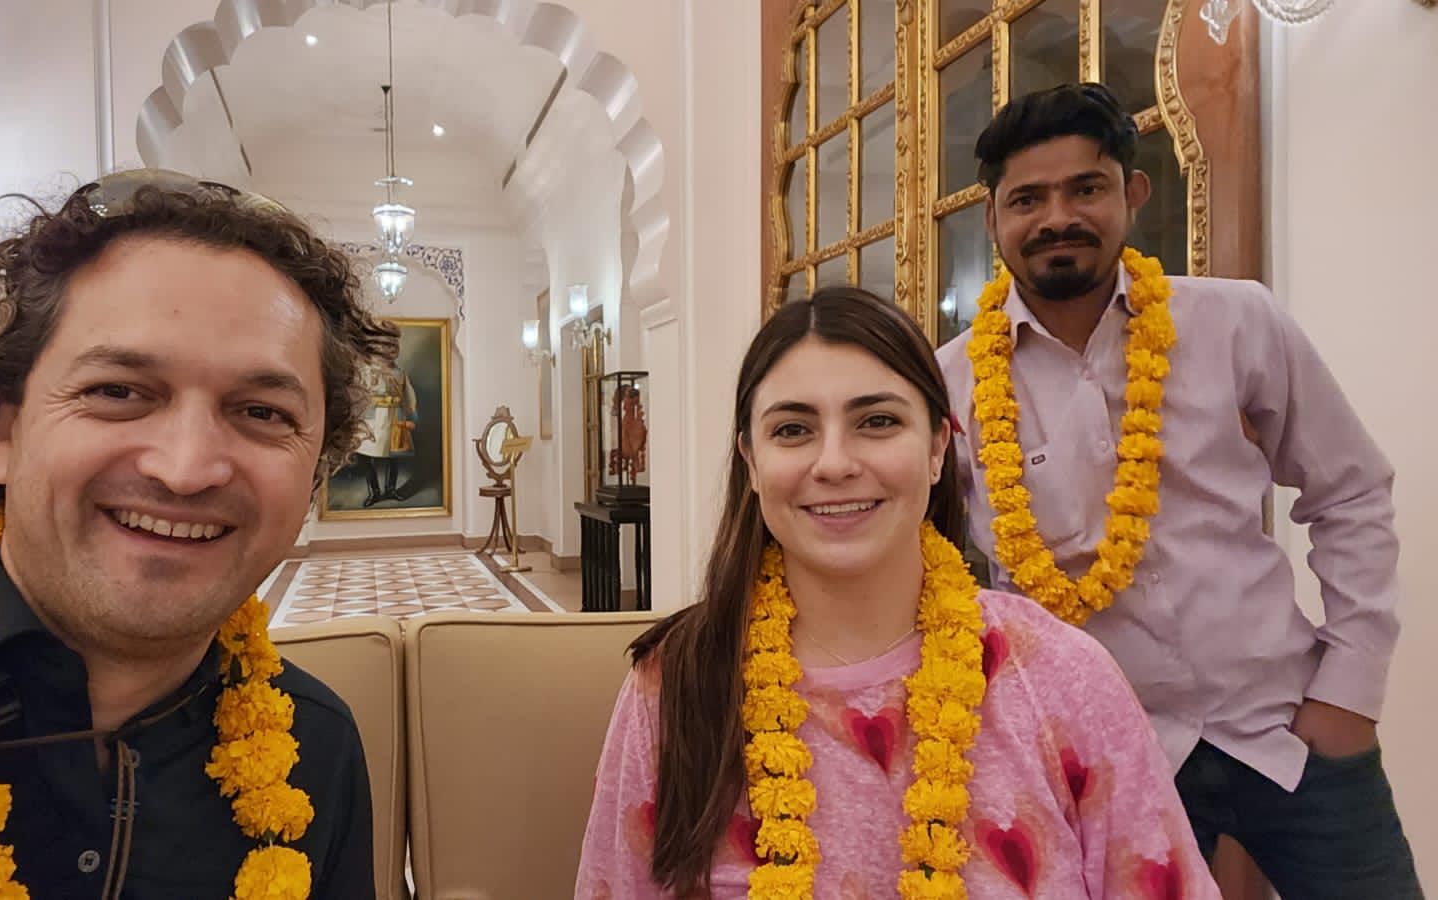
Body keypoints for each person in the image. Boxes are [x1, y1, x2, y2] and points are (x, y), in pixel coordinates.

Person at [0, 170, 399, 898]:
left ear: (316, 473)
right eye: (118, 392)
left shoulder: (316, 750)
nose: (185, 470)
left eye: (262, 412)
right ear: (3, 431)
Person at [935, 82, 1421, 897]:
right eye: (1027, 199)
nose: (1058, 217)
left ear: (1133, 192)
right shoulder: (948, 383)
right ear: (993, 220)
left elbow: (1351, 491)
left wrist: (1351, 690)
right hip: (1098, 761)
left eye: (1085, 188)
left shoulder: (1235, 322)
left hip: (1288, 731)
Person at [575, 286, 1217, 899]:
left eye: (877, 422)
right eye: (793, 430)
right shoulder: (675, 689)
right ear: (751, 462)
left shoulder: (1060, 677)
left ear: (938, 448)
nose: (834, 463)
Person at [355, 359, 419, 506]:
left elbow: (409, 396)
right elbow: (358, 394)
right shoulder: (367, 370)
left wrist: (413, 418)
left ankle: (391, 490)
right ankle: (374, 492)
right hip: (371, 417)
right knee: (366, 455)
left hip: (394, 417)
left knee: (394, 455)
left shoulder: (400, 373)